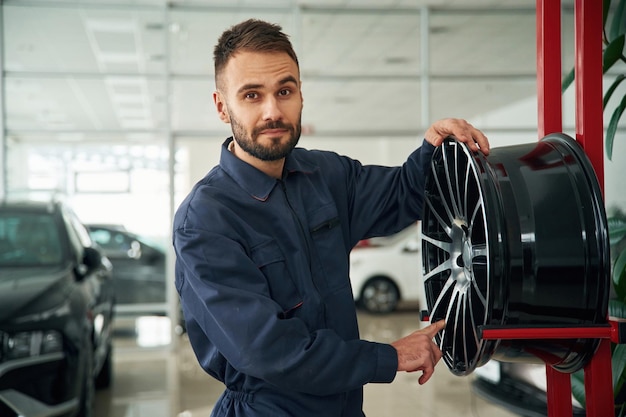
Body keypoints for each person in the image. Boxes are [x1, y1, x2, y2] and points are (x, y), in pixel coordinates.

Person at [173, 18, 490, 417]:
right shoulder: (205, 220)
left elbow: (403, 194)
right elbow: (270, 352)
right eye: (252, 95)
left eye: (284, 91)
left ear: (301, 95)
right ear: (223, 107)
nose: (273, 111)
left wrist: (432, 147)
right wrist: (389, 356)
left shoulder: (326, 175)